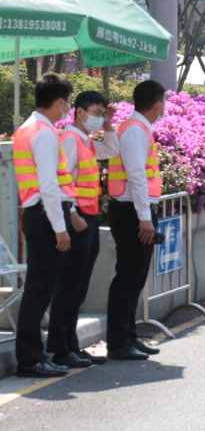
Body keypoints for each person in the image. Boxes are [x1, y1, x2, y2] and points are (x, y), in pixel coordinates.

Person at [46, 91, 118, 368]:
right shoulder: (69, 139)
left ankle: (71, 345)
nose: (99, 117)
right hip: (76, 220)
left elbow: (112, 150)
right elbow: (61, 179)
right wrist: (73, 213)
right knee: (69, 285)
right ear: (79, 112)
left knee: (79, 286)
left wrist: (109, 124)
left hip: (89, 217)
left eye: (102, 111)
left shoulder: (85, 140)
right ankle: (60, 348)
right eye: (96, 112)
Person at [12, 74, 75, 378]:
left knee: (37, 288)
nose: (67, 110)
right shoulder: (46, 133)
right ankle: (31, 358)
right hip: (46, 215)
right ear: (59, 101)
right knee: (40, 289)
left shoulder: (27, 128)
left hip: (36, 214)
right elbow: (49, 186)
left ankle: (32, 356)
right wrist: (60, 228)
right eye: (66, 103)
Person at [105, 80, 165, 360]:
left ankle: (128, 336)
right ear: (157, 104)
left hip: (134, 210)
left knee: (135, 277)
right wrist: (145, 219)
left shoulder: (138, 128)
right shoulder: (135, 131)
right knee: (128, 277)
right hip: (131, 212)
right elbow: (137, 176)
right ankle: (119, 342)